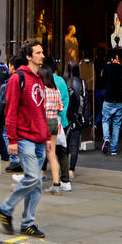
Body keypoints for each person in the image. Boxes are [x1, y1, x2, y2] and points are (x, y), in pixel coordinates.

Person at [0, 41, 49, 239]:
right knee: (34, 178)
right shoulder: (17, 78)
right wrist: (12, 140)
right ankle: (6, 208)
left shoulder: (39, 78)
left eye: (42, 52)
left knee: (37, 184)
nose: (42, 56)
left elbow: (39, 111)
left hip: (39, 138)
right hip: (24, 137)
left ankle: (28, 223)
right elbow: (10, 111)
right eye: (38, 52)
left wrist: (46, 136)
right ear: (29, 56)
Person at [42, 58, 70, 194]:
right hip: (57, 121)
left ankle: (31, 179)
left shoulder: (43, 89)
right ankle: (59, 182)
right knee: (55, 153)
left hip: (45, 121)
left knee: (37, 151)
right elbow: (62, 105)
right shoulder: (58, 86)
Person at [99, 50, 122, 155]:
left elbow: (101, 75)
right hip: (119, 101)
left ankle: (106, 139)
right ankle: (114, 149)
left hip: (108, 100)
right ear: (116, 57)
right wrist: (121, 88)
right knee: (116, 124)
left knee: (105, 120)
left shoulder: (107, 68)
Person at [63, 60, 85, 187]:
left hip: (65, 117)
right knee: (74, 145)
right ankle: (71, 170)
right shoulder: (81, 82)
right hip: (77, 117)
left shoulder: (63, 82)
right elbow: (85, 101)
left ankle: (64, 168)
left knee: (64, 144)